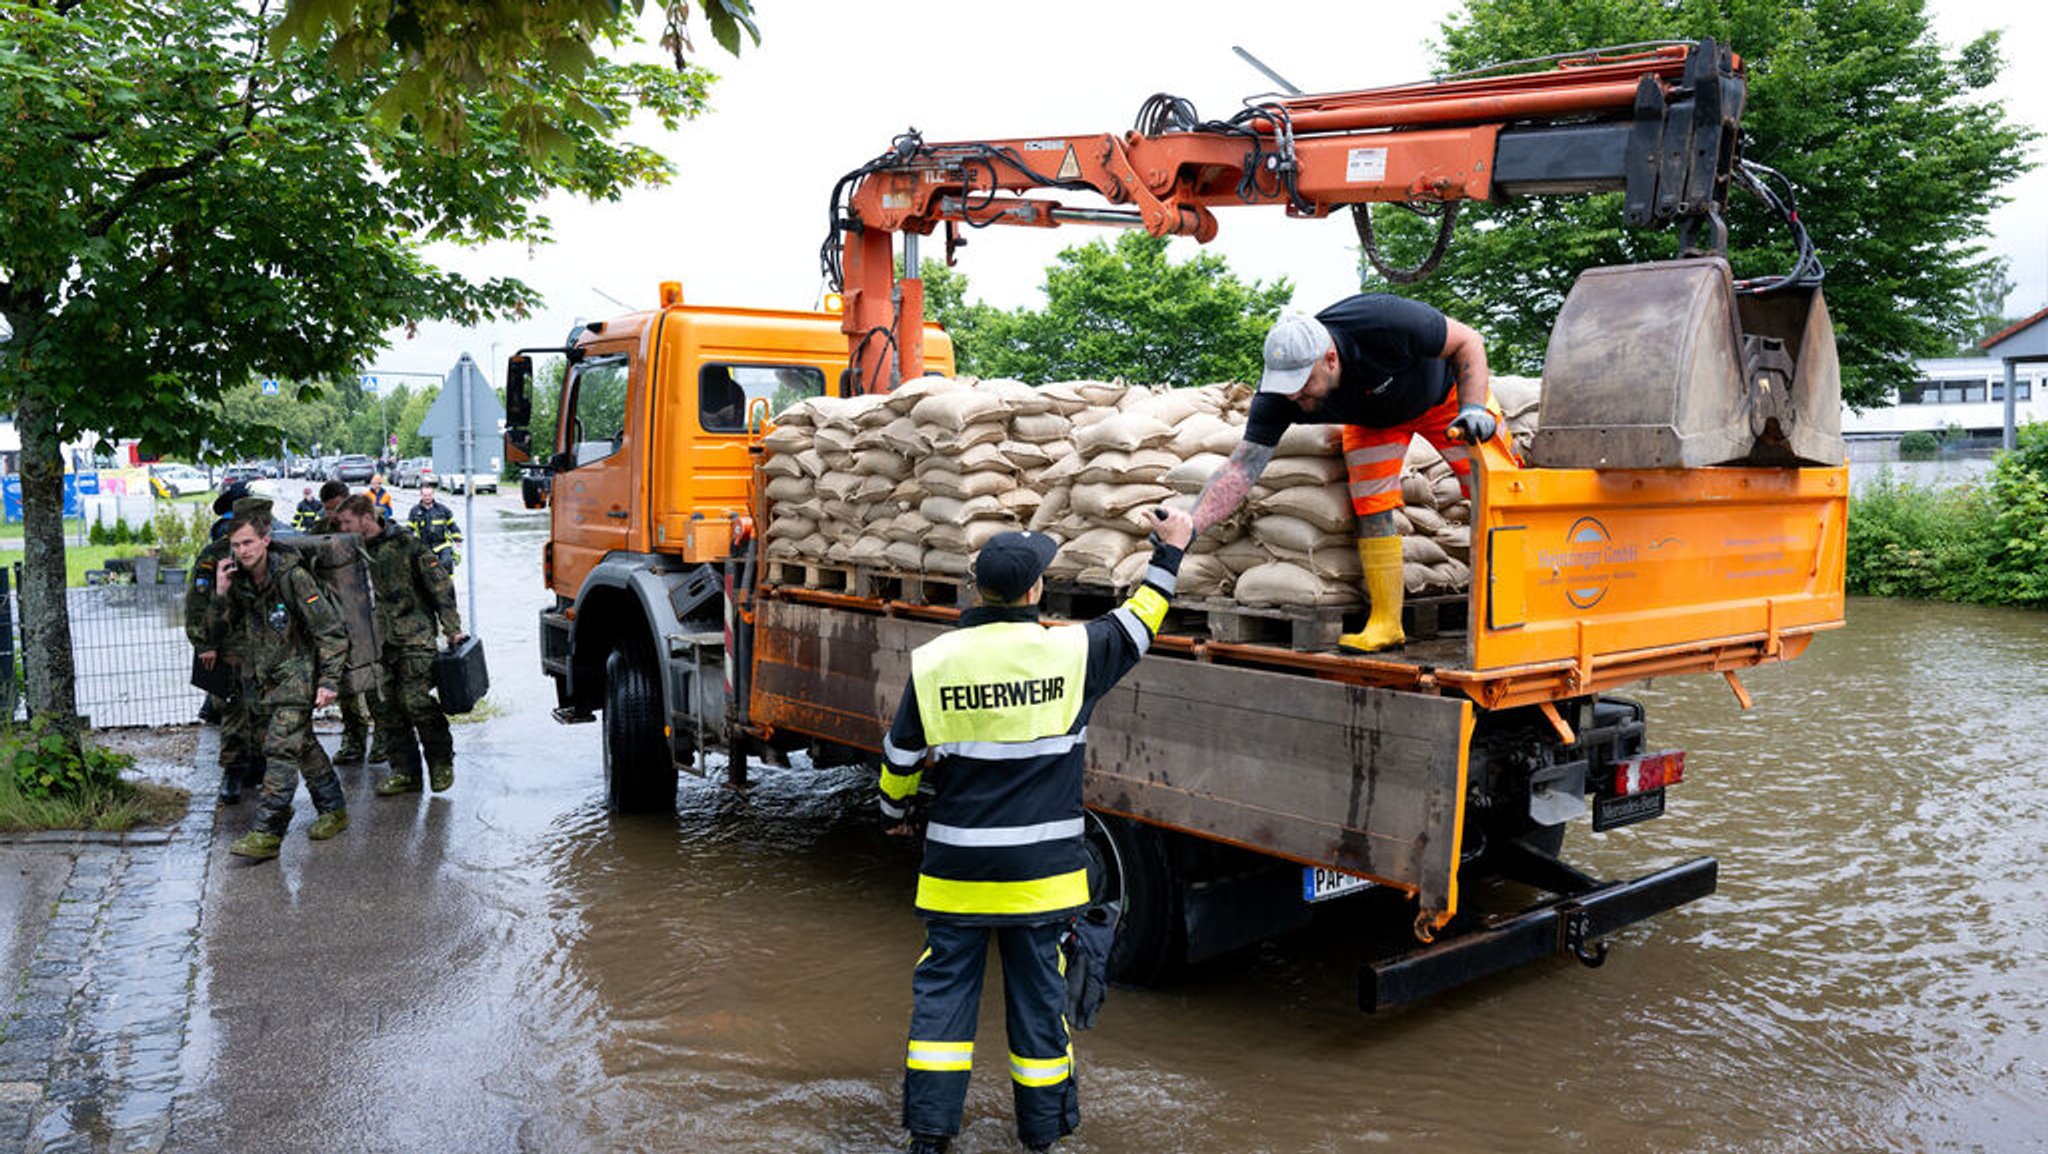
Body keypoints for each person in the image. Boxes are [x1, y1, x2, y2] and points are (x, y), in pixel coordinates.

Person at [880, 510, 1195, 1154]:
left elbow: (901, 761)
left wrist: (894, 813)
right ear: (1034, 593)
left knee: (942, 1001)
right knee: (1040, 1001)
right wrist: (1170, 551)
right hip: (1041, 880)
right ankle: (1043, 1134)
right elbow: (1142, 621)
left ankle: (930, 1136)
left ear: (977, 591)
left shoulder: (936, 661)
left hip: (957, 878)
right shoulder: (1072, 653)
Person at [1190, 297, 1512, 652]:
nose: (1293, 394)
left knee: (1501, 494)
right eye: (1285, 385)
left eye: (1303, 382)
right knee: (1371, 505)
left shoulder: (1384, 322)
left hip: (1448, 400)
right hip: (1374, 422)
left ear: (1331, 359)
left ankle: (1512, 606)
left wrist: (1473, 408)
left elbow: (1469, 341)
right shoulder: (1281, 397)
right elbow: (1241, 467)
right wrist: (1191, 525)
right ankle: (1387, 623)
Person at [207, 508, 351, 860]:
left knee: (281, 749)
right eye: (236, 545)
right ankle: (333, 809)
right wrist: (221, 593)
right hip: (263, 679)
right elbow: (219, 633)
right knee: (301, 745)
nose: (242, 551)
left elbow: (330, 632)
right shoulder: (238, 581)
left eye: (249, 543)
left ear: (265, 541)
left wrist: (329, 681)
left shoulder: (293, 577)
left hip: (298, 675)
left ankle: (268, 831)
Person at [333, 494, 467, 795]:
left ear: (366, 518)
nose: (341, 528)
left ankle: (441, 760)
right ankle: (405, 771)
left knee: (416, 701)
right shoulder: (349, 552)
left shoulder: (406, 544)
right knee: (385, 708)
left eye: (346, 522)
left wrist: (452, 628)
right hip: (372, 642)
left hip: (413, 635)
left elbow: (440, 586)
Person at [186, 489, 265, 804]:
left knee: (262, 707)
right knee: (233, 706)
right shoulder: (215, 552)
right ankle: (233, 771)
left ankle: (258, 765)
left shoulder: (267, 546)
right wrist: (205, 643)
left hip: (265, 643)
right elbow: (197, 602)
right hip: (230, 642)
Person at [307, 478, 384, 765]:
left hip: (367, 613)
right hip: (335, 615)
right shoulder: (320, 531)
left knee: (373, 677)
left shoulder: (366, 526)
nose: (333, 515)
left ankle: (383, 737)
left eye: (337, 508)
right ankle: (354, 738)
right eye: (327, 510)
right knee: (345, 679)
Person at [406, 480, 463, 569]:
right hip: (424, 546)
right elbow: (409, 528)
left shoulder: (443, 510)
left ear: (433, 495)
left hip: (442, 543)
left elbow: (452, 525)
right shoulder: (415, 511)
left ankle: (448, 582)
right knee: (423, 568)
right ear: (421, 496)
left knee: (446, 562)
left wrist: (457, 538)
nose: (427, 497)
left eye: (429, 495)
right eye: (425, 495)